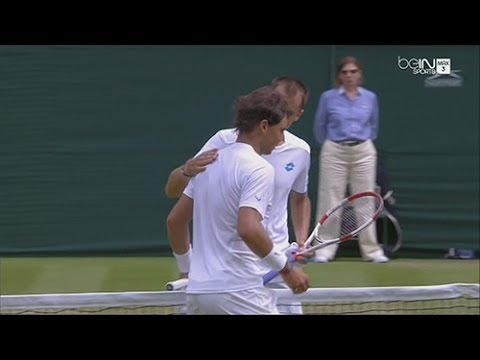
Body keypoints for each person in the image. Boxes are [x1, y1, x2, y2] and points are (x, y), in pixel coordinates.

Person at [165, 76, 312, 314]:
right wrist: (286, 269)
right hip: (241, 289)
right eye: (280, 130)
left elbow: (175, 218)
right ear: (264, 126)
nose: (282, 139)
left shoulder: (212, 163)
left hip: (202, 292)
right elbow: (249, 229)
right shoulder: (256, 166)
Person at [312, 56, 389, 263]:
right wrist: (332, 144)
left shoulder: (370, 98)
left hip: (363, 150)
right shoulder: (328, 98)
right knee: (330, 199)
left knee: (365, 199)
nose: (349, 76)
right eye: (345, 72)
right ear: (339, 76)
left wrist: (361, 143)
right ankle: (324, 250)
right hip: (334, 151)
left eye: (353, 72)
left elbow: (373, 126)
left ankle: (372, 251)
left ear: (360, 75)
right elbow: (320, 126)